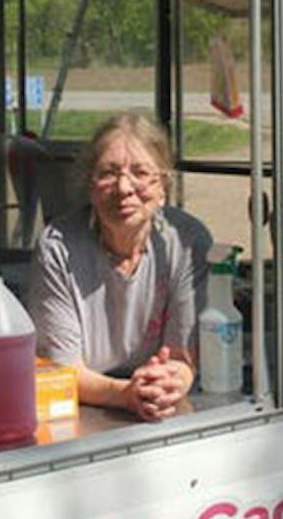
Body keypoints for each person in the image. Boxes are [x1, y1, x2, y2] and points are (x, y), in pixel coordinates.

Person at [28, 113, 211, 421]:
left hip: (160, 400)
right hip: (82, 410)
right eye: (108, 173)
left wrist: (167, 384)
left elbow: (182, 356)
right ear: (90, 185)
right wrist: (126, 394)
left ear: (164, 184)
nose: (124, 187)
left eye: (141, 172)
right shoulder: (57, 247)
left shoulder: (187, 241)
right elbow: (62, 369)